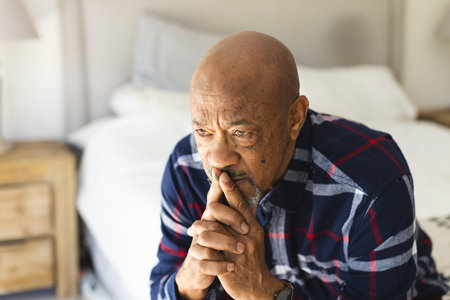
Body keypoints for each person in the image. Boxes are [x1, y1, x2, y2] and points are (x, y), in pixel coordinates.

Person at [150, 31, 449, 299]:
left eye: (241, 133)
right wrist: (188, 285)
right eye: (203, 131)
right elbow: (161, 283)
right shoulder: (185, 170)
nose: (216, 159)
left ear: (294, 118)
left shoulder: (373, 185)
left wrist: (261, 292)